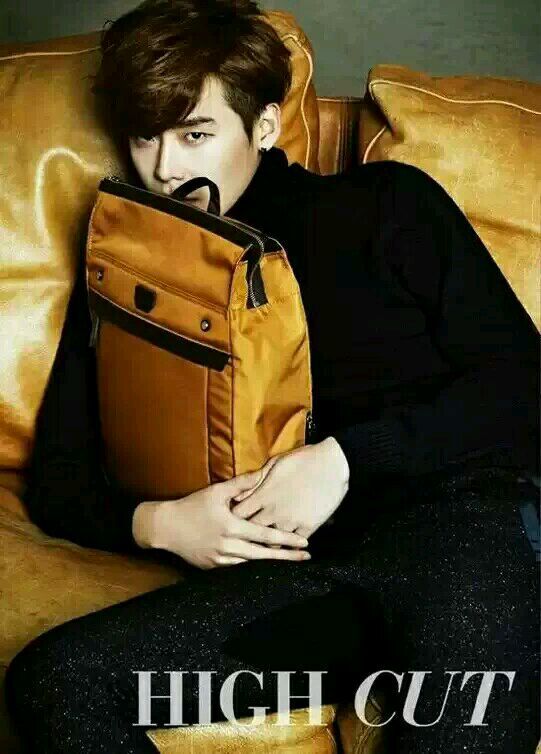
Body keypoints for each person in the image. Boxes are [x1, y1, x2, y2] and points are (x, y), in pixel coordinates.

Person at [5, 1, 540, 752]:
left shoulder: (385, 203)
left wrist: (345, 461)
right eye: (145, 136)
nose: (166, 168)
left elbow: (522, 383)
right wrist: (163, 524)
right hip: (310, 584)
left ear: (262, 127)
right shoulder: (128, 270)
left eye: (195, 134)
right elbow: (59, 476)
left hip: (461, 532)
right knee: (56, 681)